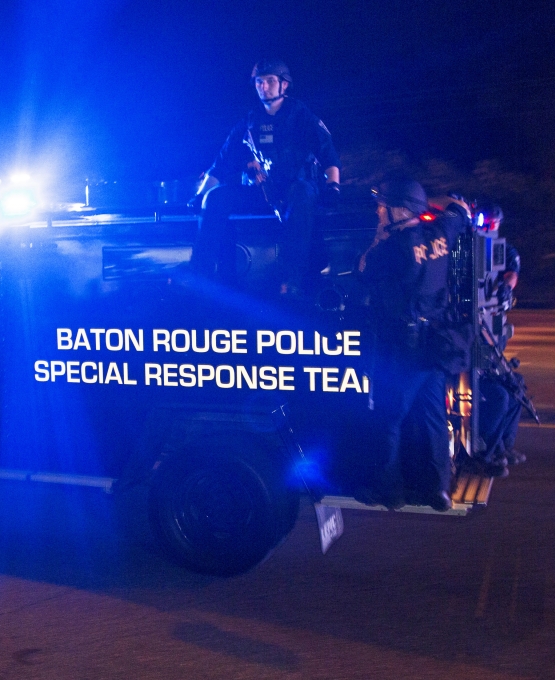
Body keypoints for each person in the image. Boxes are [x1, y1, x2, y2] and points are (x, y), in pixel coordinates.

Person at [357, 180, 472, 511]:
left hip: (402, 350)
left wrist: (378, 235)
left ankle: (387, 490)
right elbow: (459, 208)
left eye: (384, 206)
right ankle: (438, 490)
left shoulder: (389, 250)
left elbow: (361, 268)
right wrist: (430, 207)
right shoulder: (442, 232)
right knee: (432, 416)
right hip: (434, 345)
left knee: (389, 417)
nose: (379, 211)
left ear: (401, 210)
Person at [190, 59, 341, 292]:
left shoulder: (301, 116)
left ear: (284, 85)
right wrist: (201, 196)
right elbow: (221, 164)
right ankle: (201, 275)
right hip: (263, 192)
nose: (264, 86)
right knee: (216, 198)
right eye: (260, 82)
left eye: (270, 81)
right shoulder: (250, 121)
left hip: (297, 192)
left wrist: (333, 186)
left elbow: (329, 154)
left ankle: (291, 281)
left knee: (301, 192)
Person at [475, 204, 526, 475]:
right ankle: (486, 450)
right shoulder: (466, 249)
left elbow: (512, 272)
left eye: (493, 223)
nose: (488, 227)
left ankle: (504, 446)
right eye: (485, 222)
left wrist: (506, 287)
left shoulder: (501, 251)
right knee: (498, 397)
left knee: (516, 386)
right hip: (475, 337)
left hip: (492, 332)